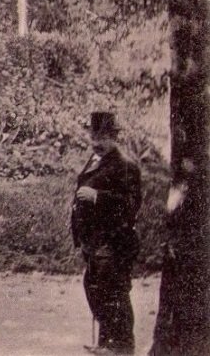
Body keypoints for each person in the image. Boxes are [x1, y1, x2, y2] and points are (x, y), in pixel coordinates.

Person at [71, 112, 142, 355]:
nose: (96, 142)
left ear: (114, 137)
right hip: (94, 239)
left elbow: (131, 204)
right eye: (93, 135)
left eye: (102, 137)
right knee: (94, 287)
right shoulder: (96, 159)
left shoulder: (125, 165)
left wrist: (98, 197)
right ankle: (106, 340)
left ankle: (122, 344)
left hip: (114, 240)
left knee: (113, 289)